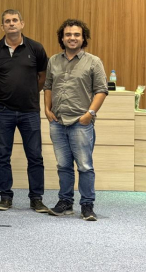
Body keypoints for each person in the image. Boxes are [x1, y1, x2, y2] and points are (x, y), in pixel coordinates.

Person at [0, 9, 49, 213]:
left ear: (22, 23)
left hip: (29, 111)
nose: (11, 24)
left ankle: (36, 198)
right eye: (7, 21)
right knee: (3, 156)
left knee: (35, 156)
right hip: (2, 111)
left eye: (15, 20)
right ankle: (5, 197)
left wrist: (30, 93)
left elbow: (43, 77)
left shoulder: (36, 48)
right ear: (2, 26)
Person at [44, 19, 108, 221]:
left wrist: (90, 114)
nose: (72, 38)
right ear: (62, 38)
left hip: (81, 122)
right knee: (63, 166)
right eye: (68, 35)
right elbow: (48, 86)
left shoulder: (93, 62)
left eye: (76, 35)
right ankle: (65, 203)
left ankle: (87, 205)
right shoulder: (53, 61)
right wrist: (47, 109)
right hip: (57, 122)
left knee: (85, 166)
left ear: (83, 38)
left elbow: (101, 90)